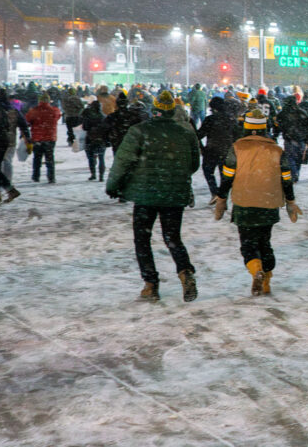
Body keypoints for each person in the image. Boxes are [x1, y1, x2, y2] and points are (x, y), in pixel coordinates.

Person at [105, 90, 201, 302]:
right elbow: (194, 164)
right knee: (173, 237)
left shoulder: (139, 131)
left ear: (154, 109)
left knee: (142, 239)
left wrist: (113, 186)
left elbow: (123, 161)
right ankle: (185, 271)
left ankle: (150, 284)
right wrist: (175, 176)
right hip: (174, 194)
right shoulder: (185, 132)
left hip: (145, 194)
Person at [214, 105, 302, 296]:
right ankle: (266, 282)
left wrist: (222, 198)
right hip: (269, 203)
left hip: (244, 203)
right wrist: (290, 201)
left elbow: (227, 176)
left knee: (248, 242)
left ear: (245, 127)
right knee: (265, 241)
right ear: (265, 128)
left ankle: (256, 270)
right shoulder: (277, 150)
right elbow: (286, 178)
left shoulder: (237, 148)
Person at [197, 96, 238, 202]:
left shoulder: (210, 119)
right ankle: (222, 196)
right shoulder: (231, 119)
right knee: (224, 175)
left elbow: (199, 135)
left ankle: (214, 192)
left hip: (211, 150)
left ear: (213, 108)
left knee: (208, 171)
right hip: (227, 151)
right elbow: (237, 136)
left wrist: (202, 147)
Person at [275, 95, 308, 184]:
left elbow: (277, 125)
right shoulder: (302, 113)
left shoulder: (283, 113)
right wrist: (307, 138)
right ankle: (296, 173)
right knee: (298, 159)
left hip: (289, 139)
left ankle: (293, 173)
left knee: (290, 158)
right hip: (301, 140)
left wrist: (276, 135)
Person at [26, 93, 61, 184]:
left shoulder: (34, 111)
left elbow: (28, 120)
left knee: (37, 158)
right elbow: (58, 116)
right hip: (50, 137)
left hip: (37, 137)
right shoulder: (54, 110)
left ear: (40, 101)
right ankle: (51, 177)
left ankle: (36, 176)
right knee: (50, 159)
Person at [80, 98, 109, 182]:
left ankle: (93, 174)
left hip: (90, 139)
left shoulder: (88, 116)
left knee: (91, 157)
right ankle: (101, 176)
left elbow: (85, 127)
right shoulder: (103, 116)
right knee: (101, 157)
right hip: (101, 139)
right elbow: (107, 128)